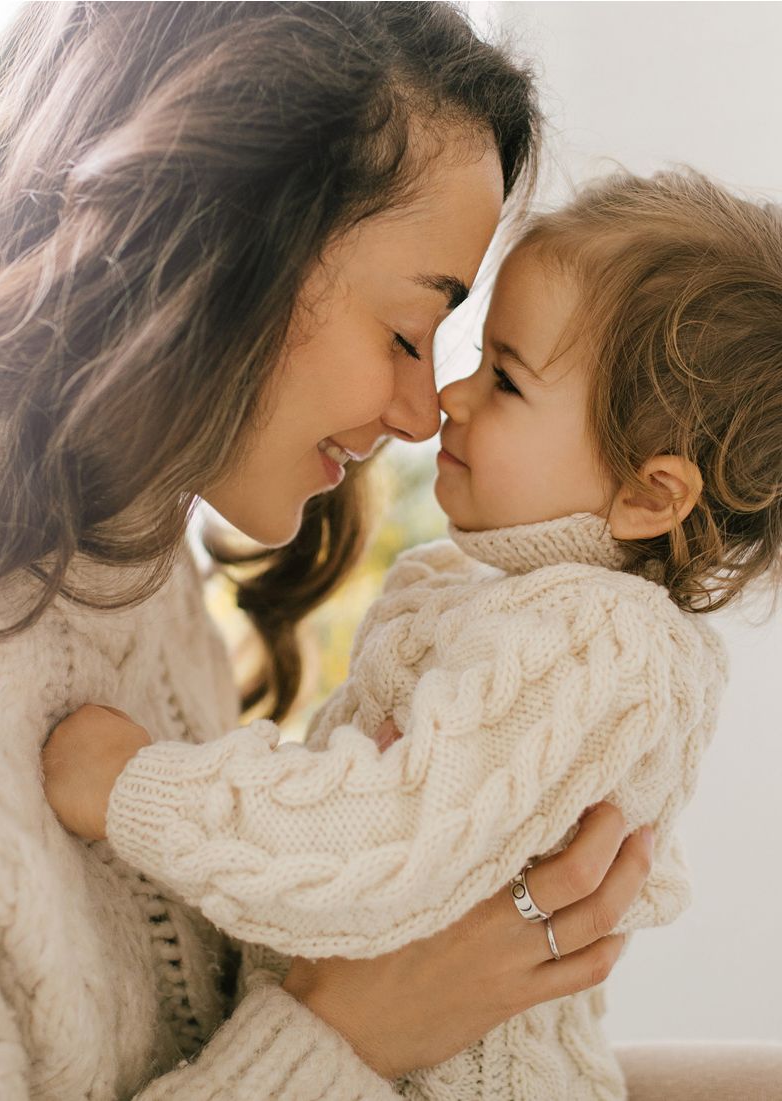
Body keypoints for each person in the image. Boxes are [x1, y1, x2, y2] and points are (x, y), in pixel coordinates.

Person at [0, 4, 655, 1100]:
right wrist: (354, 1032)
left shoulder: (129, 575)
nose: (419, 410)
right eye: (406, 333)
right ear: (214, 242)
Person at [42, 169, 782, 1099]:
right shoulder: (501, 600)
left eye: (506, 379)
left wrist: (135, 788)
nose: (449, 402)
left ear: (649, 493)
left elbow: (386, 842)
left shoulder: (605, 637)